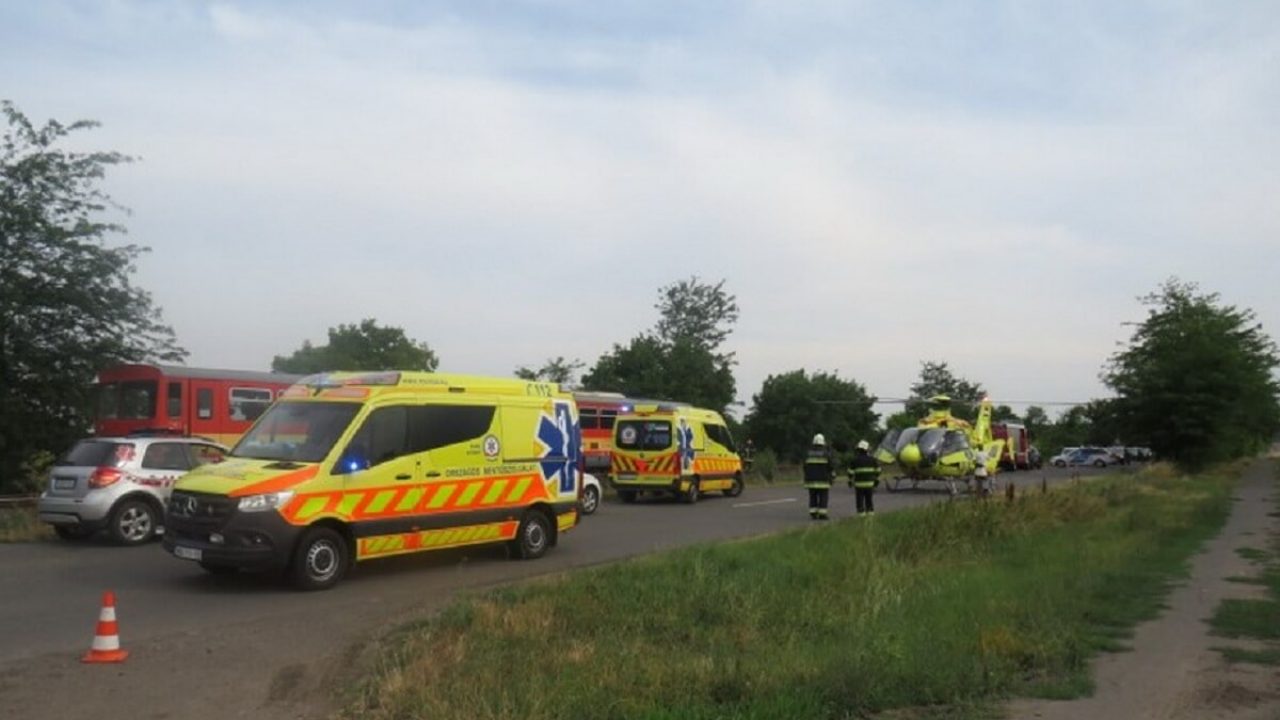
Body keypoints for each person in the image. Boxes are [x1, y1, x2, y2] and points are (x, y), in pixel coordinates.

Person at [802, 433, 835, 520]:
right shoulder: (826, 454)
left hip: (811, 480)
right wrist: (832, 477)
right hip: (823, 480)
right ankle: (822, 514)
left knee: (812, 496)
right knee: (823, 497)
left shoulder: (808, 454)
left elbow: (805, 466)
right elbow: (831, 467)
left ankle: (813, 513)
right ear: (823, 443)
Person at [847, 439, 881, 516]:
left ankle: (861, 516)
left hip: (859, 485)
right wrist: (876, 480)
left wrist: (850, 481)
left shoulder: (855, 460)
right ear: (867, 449)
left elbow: (850, 473)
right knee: (869, 501)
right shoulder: (872, 460)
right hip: (870, 484)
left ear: (859, 450)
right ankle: (870, 515)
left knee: (860, 501)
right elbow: (878, 471)